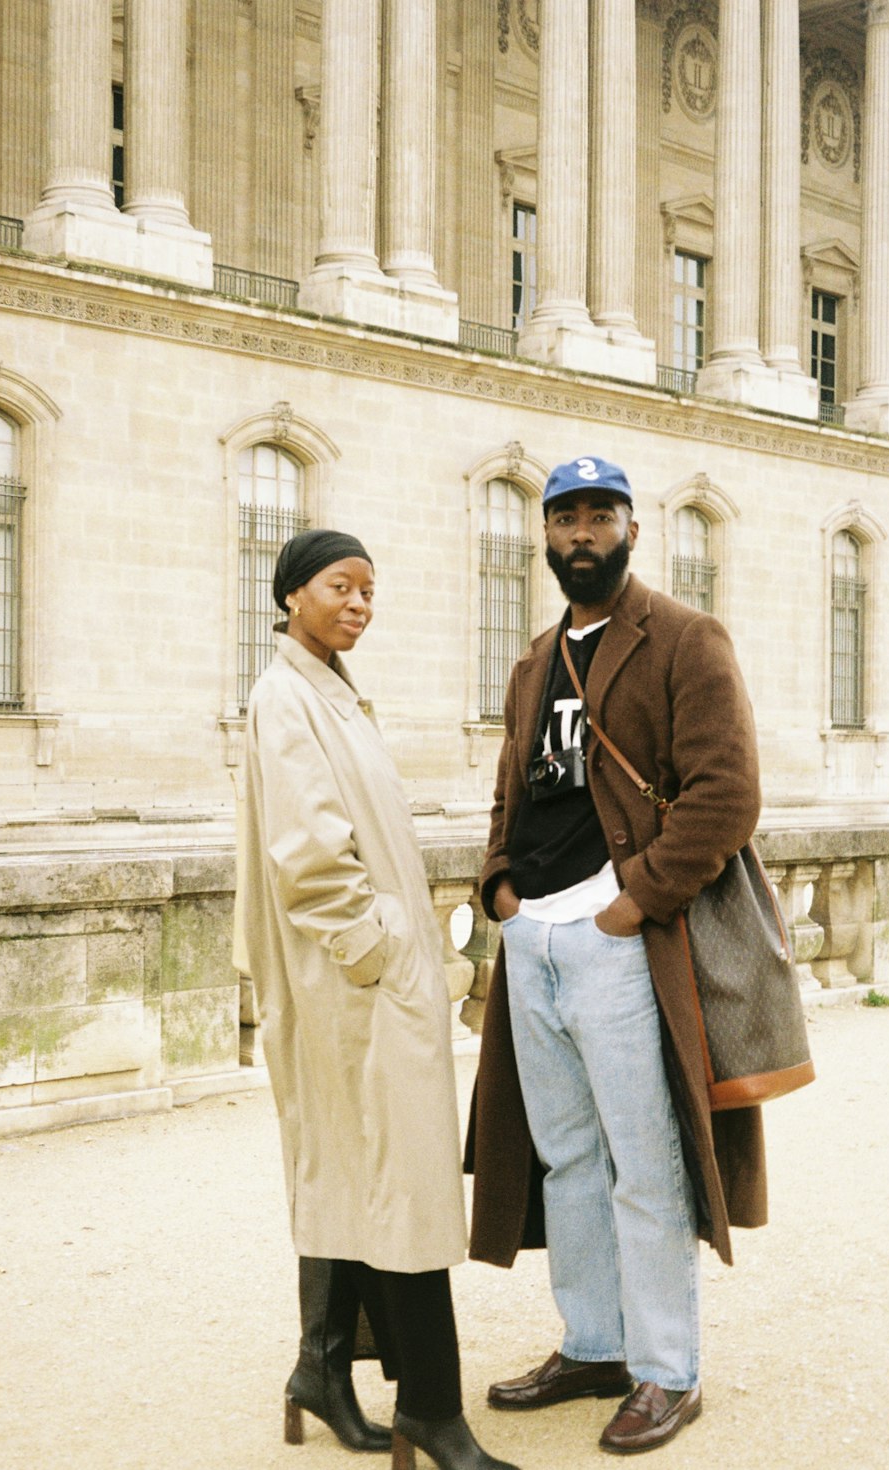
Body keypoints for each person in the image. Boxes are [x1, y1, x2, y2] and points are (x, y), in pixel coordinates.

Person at [466, 457, 768, 1455]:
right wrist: (499, 885)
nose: (582, 535)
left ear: (632, 530)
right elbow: (513, 790)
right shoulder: (530, 663)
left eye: (600, 516)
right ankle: (594, 1343)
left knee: (644, 1163)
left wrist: (635, 903)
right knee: (568, 1158)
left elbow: (726, 794)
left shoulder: (685, 639)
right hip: (535, 936)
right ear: (544, 537)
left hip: (618, 938)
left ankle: (666, 1371)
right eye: (565, 520)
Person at [243, 529, 518, 1470]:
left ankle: (324, 1371)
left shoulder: (329, 692)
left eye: (369, 589)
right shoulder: (289, 697)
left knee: (359, 1174)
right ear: (291, 596)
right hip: (356, 984)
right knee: (399, 1188)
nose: (359, 603)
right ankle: (430, 1410)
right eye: (339, 586)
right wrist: (376, 952)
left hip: (368, 983)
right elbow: (311, 854)